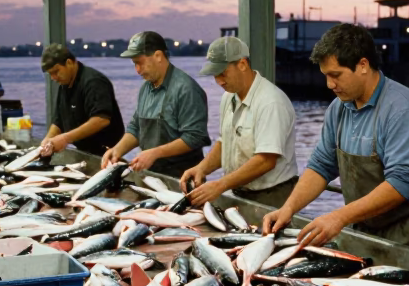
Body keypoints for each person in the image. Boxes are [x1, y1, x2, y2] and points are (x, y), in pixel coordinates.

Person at [262, 24, 409, 251]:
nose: (329, 85)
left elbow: (403, 182)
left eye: (335, 75)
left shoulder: (405, 110)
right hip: (362, 226)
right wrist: (287, 209)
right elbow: (321, 165)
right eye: (326, 76)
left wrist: (339, 218)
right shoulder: (338, 108)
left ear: (363, 65)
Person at [180, 36, 299, 208]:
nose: (219, 81)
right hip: (238, 191)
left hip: (272, 197)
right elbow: (225, 142)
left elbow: (266, 160)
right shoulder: (228, 97)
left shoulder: (271, 102)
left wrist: (221, 185)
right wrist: (202, 168)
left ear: (242, 64)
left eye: (223, 73)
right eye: (215, 75)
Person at [102, 31, 210, 178]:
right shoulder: (146, 88)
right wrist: (117, 150)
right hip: (151, 175)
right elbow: (136, 127)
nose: (137, 70)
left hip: (182, 178)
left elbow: (195, 137)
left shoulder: (186, 89)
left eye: (139, 63)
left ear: (158, 56)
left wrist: (155, 153)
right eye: (134, 64)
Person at [38, 43, 125, 156]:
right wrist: (48, 140)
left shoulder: (94, 82)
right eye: (50, 74)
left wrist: (65, 139)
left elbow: (101, 119)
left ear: (69, 63)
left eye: (56, 72)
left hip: (106, 152)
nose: (53, 78)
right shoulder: (64, 85)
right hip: (83, 151)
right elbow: (58, 121)